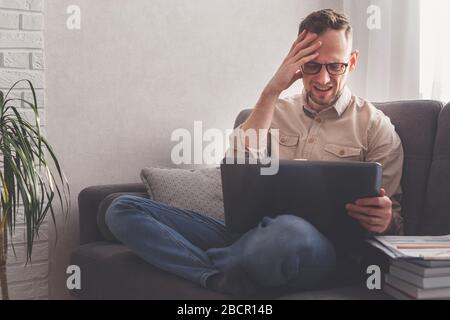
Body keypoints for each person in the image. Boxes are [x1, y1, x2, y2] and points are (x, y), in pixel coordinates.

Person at [105, 9, 404, 297]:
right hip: (249, 234)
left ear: (351, 62)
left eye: (335, 66)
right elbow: (236, 164)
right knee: (121, 209)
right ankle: (218, 276)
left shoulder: (374, 126)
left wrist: (386, 220)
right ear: (297, 63)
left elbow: (395, 222)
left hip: (318, 249)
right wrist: (271, 91)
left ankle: (217, 260)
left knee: (288, 232)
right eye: (313, 65)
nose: (323, 79)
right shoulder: (273, 110)